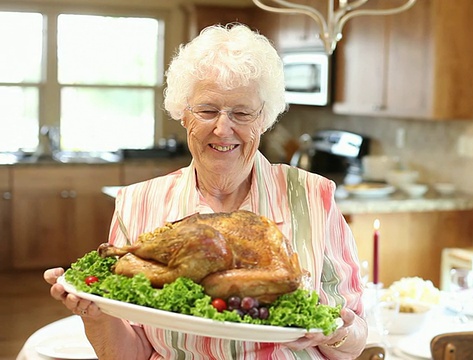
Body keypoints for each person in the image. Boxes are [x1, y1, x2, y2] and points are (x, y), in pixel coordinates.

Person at [44, 23, 368, 359]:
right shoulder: (137, 203)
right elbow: (129, 354)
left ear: (264, 119)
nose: (223, 128)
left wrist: (339, 331)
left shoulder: (315, 197)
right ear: (183, 115)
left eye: (242, 113)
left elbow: (353, 340)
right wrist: (94, 315)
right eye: (207, 110)